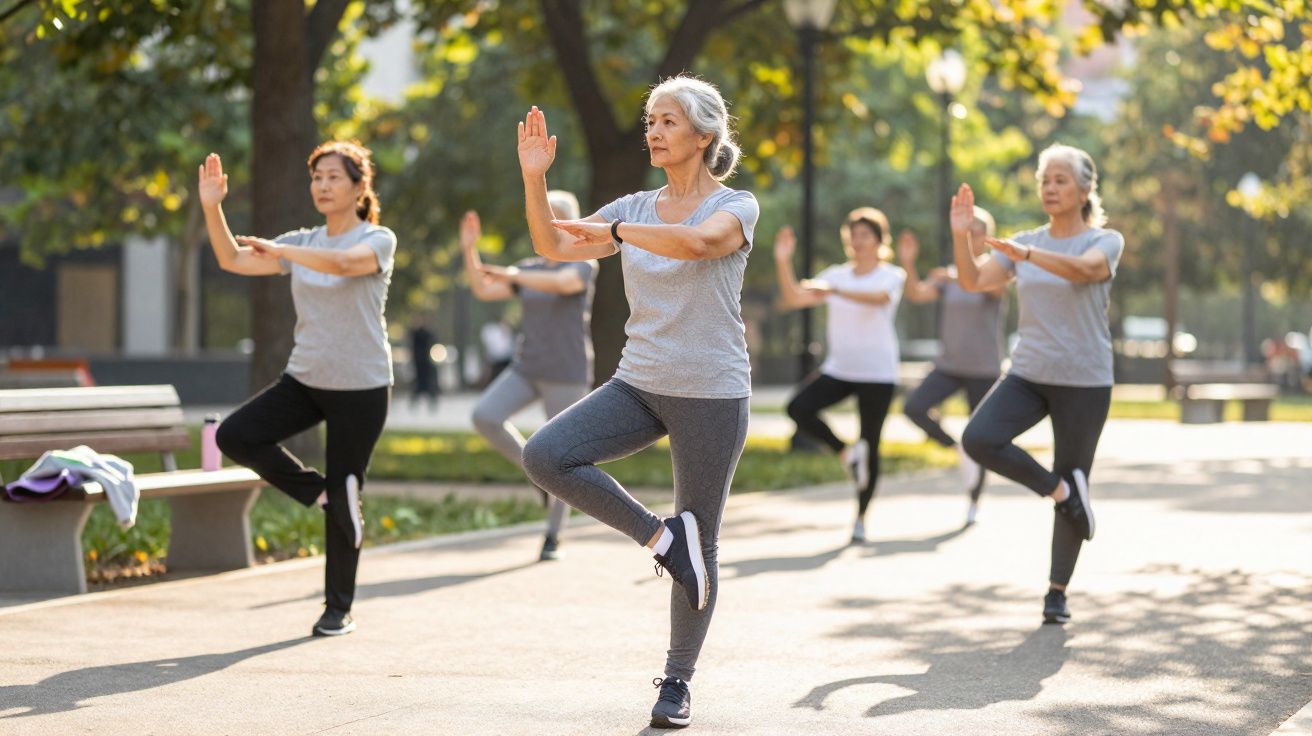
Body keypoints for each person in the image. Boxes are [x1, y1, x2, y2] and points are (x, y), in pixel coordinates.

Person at [517, 76, 757, 730]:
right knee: (546, 456)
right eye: (650, 120)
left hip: (711, 391)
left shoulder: (736, 205)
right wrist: (535, 180)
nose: (653, 131)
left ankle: (677, 682)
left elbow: (700, 244)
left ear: (704, 136)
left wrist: (620, 232)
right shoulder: (635, 206)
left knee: (702, 538)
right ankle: (660, 537)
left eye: (668, 121)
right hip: (639, 383)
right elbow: (553, 245)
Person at [200, 141, 396, 637]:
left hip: (362, 385)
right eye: (316, 177)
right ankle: (319, 493)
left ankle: (337, 610)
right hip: (306, 378)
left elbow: (346, 264)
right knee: (234, 435)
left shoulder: (377, 239)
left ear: (359, 187)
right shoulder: (302, 241)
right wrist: (212, 207)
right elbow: (232, 259)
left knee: (348, 490)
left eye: (333, 177)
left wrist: (284, 252)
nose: (322, 185)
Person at [954, 143, 1125, 625]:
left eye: (1060, 180)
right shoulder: (1023, 241)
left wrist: (1029, 255)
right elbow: (974, 282)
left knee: (1074, 470)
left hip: (1085, 379)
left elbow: (1086, 271)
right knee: (979, 438)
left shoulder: (1105, 240)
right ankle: (1061, 492)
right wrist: (960, 236)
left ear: (1085, 190)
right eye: (1044, 180)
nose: (1049, 188)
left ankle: (1056, 593)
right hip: (1028, 372)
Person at [461, 192, 598, 562]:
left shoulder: (583, 264)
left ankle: (554, 534)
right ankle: (536, 472)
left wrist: (513, 274)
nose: (545, 224)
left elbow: (563, 284)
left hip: (566, 372)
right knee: (485, 416)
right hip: (527, 368)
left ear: (570, 225)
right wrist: (470, 250)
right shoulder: (527, 268)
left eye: (554, 218)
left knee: (563, 454)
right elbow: (484, 289)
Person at [774, 210, 906, 544]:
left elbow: (879, 299)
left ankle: (860, 518)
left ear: (879, 240)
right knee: (798, 408)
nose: (858, 241)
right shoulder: (836, 274)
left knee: (871, 443)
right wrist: (783, 261)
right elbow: (794, 298)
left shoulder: (891, 275)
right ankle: (847, 454)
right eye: (853, 235)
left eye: (865, 235)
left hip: (878, 373)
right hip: (840, 369)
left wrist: (834, 290)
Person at [898, 217, 1007, 526]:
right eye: (965, 232)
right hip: (948, 365)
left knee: (981, 436)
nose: (969, 237)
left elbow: (992, 290)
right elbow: (917, 294)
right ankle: (955, 447)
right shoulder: (947, 276)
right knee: (913, 407)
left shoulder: (996, 270)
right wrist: (908, 262)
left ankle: (974, 501)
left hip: (984, 368)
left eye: (975, 232)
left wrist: (955, 275)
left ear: (987, 237)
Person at [408, 313, 440, 412]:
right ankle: (415, 404)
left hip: (427, 363)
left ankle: (432, 404)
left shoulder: (429, 333)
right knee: (418, 384)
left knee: (429, 384)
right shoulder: (416, 333)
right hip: (419, 363)